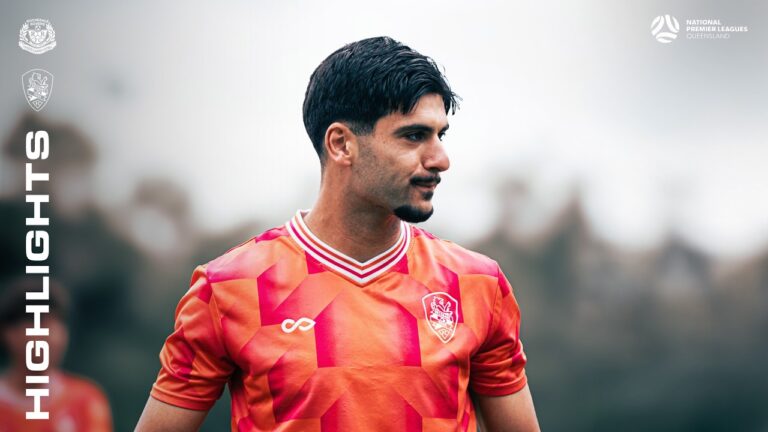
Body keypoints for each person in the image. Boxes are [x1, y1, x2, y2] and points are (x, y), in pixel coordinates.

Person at [136, 36, 540, 432]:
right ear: (342, 144)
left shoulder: (478, 284)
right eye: (414, 135)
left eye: (441, 135)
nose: (441, 159)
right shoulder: (227, 288)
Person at [0, 276, 113, 432]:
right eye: (41, 323)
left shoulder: (86, 402)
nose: (53, 337)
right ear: (10, 333)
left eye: (58, 324)